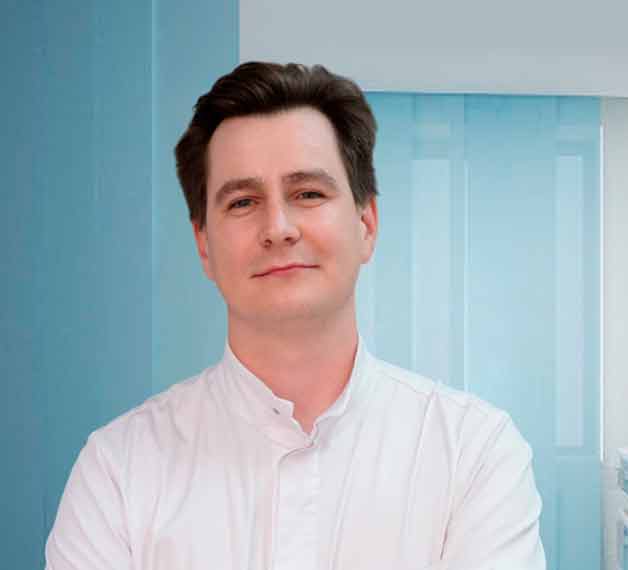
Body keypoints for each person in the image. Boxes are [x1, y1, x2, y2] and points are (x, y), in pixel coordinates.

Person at [45, 62, 546, 570]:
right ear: (203, 244)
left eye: (308, 194)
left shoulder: (472, 453)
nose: (278, 228)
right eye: (243, 202)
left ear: (366, 223)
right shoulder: (118, 470)